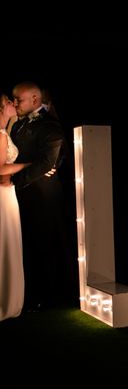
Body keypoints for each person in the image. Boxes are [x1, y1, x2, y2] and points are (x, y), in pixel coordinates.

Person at [2, 82, 67, 311]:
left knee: (45, 244)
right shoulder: (18, 126)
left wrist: (13, 182)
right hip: (19, 196)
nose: (16, 103)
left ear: (35, 100)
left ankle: (49, 297)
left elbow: (46, 163)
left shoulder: (50, 126)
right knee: (27, 245)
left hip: (42, 197)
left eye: (19, 99)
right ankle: (28, 294)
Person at [0, 94, 27, 320]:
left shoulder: (4, 130)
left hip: (7, 194)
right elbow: (0, 170)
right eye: (10, 102)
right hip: (3, 195)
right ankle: (5, 301)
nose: (14, 104)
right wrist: (30, 165)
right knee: (5, 244)